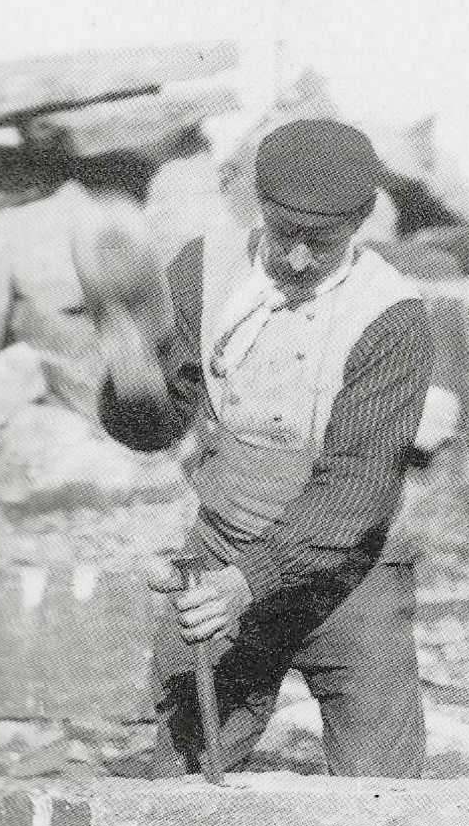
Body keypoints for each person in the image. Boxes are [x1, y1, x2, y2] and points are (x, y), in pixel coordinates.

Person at [92, 118, 435, 779]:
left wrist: (245, 583)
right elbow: (161, 428)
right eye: (284, 234)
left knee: (385, 805)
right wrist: (130, 383)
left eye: (322, 242)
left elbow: (355, 491)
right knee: (185, 789)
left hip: (350, 578)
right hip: (222, 553)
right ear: (259, 205)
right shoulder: (203, 269)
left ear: (361, 219)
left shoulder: (390, 316)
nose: (298, 258)